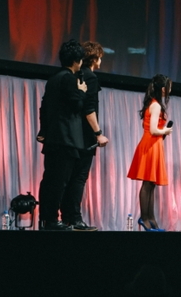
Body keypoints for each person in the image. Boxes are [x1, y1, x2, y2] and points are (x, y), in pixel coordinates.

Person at [36, 39, 87, 230]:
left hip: (53, 138)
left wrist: (44, 131)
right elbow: (77, 105)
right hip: (66, 138)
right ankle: (52, 220)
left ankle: (46, 218)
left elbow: (44, 107)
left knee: (50, 180)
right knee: (60, 182)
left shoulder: (53, 79)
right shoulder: (69, 79)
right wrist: (82, 92)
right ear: (76, 61)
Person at [65, 41, 109, 231]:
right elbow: (89, 109)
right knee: (79, 178)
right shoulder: (90, 77)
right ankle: (75, 218)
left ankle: (68, 217)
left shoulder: (76, 75)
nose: (101, 61)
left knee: (71, 177)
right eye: (100, 57)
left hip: (73, 134)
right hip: (84, 136)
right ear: (95, 58)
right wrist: (98, 133)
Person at [127, 74, 173, 231]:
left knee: (151, 184)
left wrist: (162, 132)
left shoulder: (153, 104)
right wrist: (165, 131)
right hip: (151, 145)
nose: (170, 90)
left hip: (154, 144)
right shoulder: (156, 105)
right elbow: (153, 130)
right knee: (147, 184)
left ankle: (151, 218)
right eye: (169, 87)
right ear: (163, 89)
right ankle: (145, 218)